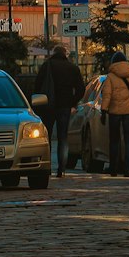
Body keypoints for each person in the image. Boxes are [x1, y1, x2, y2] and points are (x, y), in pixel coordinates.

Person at [34, 45, 85, 178]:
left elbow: (37, 85)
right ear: (65, 54)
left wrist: (38, 102)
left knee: (47, 136)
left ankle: (47, 166)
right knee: (63, 137)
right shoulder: (72, 68)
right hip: (64, 106)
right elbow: (81, 89)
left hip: (48, 105)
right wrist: (72, 102)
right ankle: (61, 169)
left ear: (54, 53)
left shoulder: (47, 65)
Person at [99, 51, 129, 178]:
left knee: (114, 140)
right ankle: (128, 170)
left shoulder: (110, 77)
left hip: (114, 113)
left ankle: (113, 168)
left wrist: (104, 110)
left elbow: (107, 95)